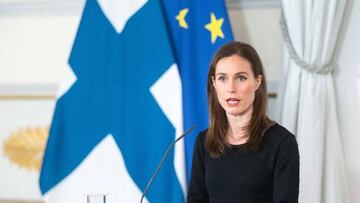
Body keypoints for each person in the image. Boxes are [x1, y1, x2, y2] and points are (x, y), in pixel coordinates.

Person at [187, 41, 299, 203]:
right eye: (222, 78)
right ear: (214, 84)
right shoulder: (204, 142)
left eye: (240, 78)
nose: (231, 88)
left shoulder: (282, 142)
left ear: (257, 82)